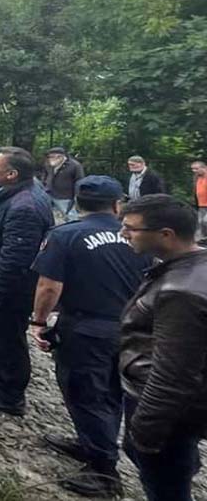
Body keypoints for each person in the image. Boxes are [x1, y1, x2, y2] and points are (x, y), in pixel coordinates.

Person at [28, 176, 150, 496]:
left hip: (86, 328)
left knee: (86, 395)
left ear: (78, 204)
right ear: (116, 204)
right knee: (112, 391)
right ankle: (92, 444)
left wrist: (39, 321)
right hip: (133, 328)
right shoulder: (139, 237)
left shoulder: (66, 235)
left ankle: (104, 473)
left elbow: (49, 286)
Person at [118, 195, 207, 501]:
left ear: (165, 235)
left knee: (165, 485)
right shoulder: (192, 266)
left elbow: (172, 375)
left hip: (163, 412)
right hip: (179, 413)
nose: (123, 234)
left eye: (131, 228)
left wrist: (144, 432)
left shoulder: (181, 292)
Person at [0, 146, 53, 416]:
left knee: (8, 341)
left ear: (12, 174)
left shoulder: (24, 206)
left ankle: (11, 395)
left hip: (9, 292)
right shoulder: (9, 196)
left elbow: (15, 258)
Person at [40, 147, 85, 224]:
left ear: (61, 156)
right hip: (48, 192)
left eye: (54, 156)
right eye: (50, 156)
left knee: (70, 216)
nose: (51, 158)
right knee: (46, 213)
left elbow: (79, 181)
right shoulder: (48, 164)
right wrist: (44, 184)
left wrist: (77, 195)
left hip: (65, 196)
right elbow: (45, 175)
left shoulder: (75, 165)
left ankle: (73, 229)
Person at [194, 159, 207, 244]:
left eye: (196, 168)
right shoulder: (197, 178)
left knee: (205, 221)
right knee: (200, 222)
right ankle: (203, 238)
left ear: (204, 168)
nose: (194, 171)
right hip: (201, 204)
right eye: (193, 169)